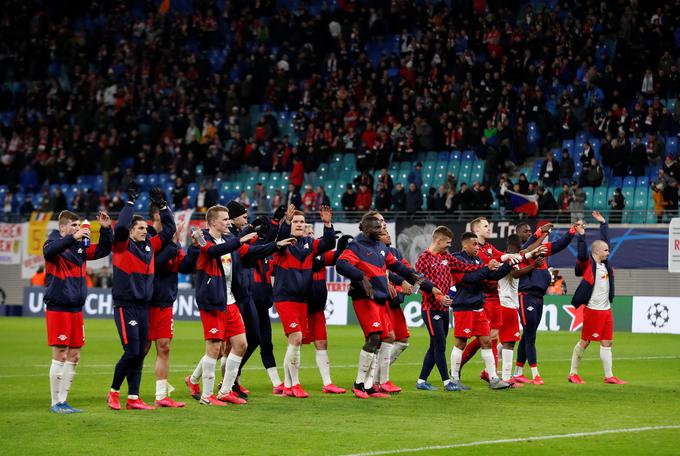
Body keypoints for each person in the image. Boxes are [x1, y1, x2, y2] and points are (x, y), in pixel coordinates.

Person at [184, 205, 294, 406]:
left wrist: (277, 245)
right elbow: (212, 251)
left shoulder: (229, 241)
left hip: (230, 301)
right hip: (212, 302)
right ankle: (207, 397)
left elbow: (251, 251)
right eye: (224, 219)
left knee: (241, 344)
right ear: (213, 222)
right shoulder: (202, 238)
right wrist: (238, 240)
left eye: (228, 219)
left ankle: (225, 391)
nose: (228, 222)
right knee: (215, 348)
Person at [336, 214, 444, 398]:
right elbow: (341, 264)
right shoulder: (356, 246)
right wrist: (360, 276)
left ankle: (370, 386)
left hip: (379, 299)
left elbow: (396, 267)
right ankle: (358, 383)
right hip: (364, 298)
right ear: (364, 229)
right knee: (374, 338)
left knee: (383, 340)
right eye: (376, 228)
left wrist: (413, 276)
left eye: (381, 227)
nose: (380, 230)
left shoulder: (381, 248)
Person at [107, 185, 175, 411]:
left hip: (144, 307)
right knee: (132, 351)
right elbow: (120, 229)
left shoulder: (149, 246)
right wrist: (129, 202)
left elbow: (170, 229)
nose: (145, 231)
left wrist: (163, 206)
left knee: (138, 354)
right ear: (131, 230)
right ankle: (114, 392)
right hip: (125, 306)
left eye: (146, 227)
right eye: (140, 228)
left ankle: (133, 398)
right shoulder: (121, 246)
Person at [44, 210, 112, 413]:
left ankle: (64, 401)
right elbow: (49, 252)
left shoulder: (78, 249)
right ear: (62, 227)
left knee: (74, 356)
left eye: (77, 226)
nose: (77, 229)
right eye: (73, 226)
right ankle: (55, 402)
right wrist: (73, 237)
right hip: (59, 307)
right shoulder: (53, 244)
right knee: (61, 354)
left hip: (76, 309)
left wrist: (106, 229)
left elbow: (102, 250)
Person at [272, 204, 336, 398]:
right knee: (297, 337)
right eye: (296, 221)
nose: (299, 224)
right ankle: (295, 384)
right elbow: (281, 238)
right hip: (285, 298)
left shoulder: (309, 244)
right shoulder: (283, 245)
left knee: (295, 342)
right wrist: (286, 222)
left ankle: (289, 387)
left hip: (302, 300)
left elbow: (329, 244)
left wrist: (327, 224)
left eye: (302, 222)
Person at [414, 226, 486, 391]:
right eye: (447, 242)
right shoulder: (423, 259)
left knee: (435, 346)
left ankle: (421, 381)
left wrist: (486, 268)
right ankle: (447, 382)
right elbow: (420, 282)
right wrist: (437, 295)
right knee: (440, 345)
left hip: (444, 308)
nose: (449, 246)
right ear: (438, 241)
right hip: (430, 308)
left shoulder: (446, 257)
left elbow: (464, 267)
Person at [458, 217, 524, 382]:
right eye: (485, 226)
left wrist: (512, 256)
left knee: (491, 336)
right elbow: (489, 262)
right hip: (483, 297)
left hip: (495, 296)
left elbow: (501, 256)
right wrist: (506, 258)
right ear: (476, 230)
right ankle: (467, 367)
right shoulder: (474, 251)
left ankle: (489, 372)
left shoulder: (488, 247)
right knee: (485, 337)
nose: (489, 228)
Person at [512, 221, 578, 384]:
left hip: (539, 297)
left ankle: (518, 372)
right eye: (525, 231)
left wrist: (572, 231)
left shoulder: (542, 250)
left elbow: (560, 244)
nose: (529, 233)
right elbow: (527, 247)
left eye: (530, 231)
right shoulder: (521, 253)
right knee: (530, 335)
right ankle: (535, 374)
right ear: (519, 235)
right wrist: (539, 231)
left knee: (528, 334)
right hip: (526, 295)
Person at [144, 205, 195, 408]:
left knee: (164, 347)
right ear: (154, 218)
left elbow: (184, 266)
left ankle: (160, 396)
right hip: (145, 303)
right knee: (141, 349)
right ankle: (129, 392)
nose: (167, 221)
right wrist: (174, 242)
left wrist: (195, 248)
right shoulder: (145, 238)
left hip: (165, 302)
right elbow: (155, 264)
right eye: (162, 217)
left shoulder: (173, 243)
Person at [568, 211, 627, 385]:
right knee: (584, 342)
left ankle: (609, 376)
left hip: (606, 310)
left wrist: (603, 224)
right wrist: (581, 236)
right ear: (597, 251)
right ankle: (573, 373)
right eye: (606, 250)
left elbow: (605, 241)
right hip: (593, 311)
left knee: (607, 342)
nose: (609, 252)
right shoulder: (588, 264)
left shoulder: (605, 264)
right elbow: (580, 254)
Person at [305, 229, 352, 394]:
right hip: (300, 305)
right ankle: (289, 384)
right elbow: (316, 261)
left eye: (311, 231)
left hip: (317, 307)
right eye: (307, 231)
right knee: (294, 344)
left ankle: (328, 383)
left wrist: (341, 246)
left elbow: (336, 258)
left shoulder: (321, 254)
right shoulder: (296, 253)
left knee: (322, 343)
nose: (310, 233)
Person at [497, 235, 546, 384]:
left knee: (506, 341)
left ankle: (503, 376)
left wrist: (538, 239)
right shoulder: (509, 258)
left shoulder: (509, 257)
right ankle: (505, 377)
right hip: (507, 304)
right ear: (518, 246)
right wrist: (533, 265)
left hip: (507, 303)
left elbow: (524, 256)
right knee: (508, 342)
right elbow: (515, 273)